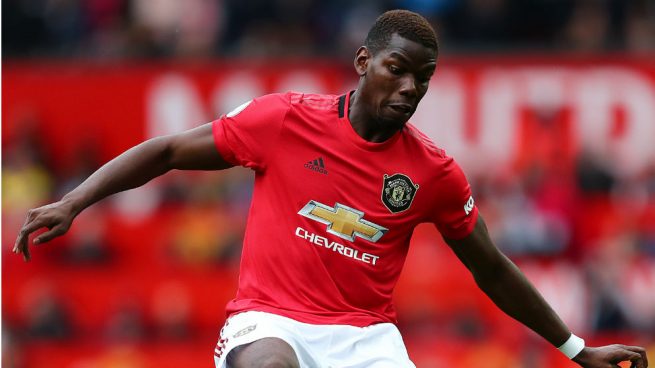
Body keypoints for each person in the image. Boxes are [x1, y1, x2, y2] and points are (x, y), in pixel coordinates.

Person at [14, 9, 649, 368]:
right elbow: (170, 150)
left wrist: (574, 347)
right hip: (270, 322)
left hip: (366, 339)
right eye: (397, 70)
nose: (408, 89)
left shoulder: (432, 172)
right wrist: (75, 201)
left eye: (421, 81)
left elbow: (490, 266)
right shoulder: (285, 121)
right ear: (364, 62)